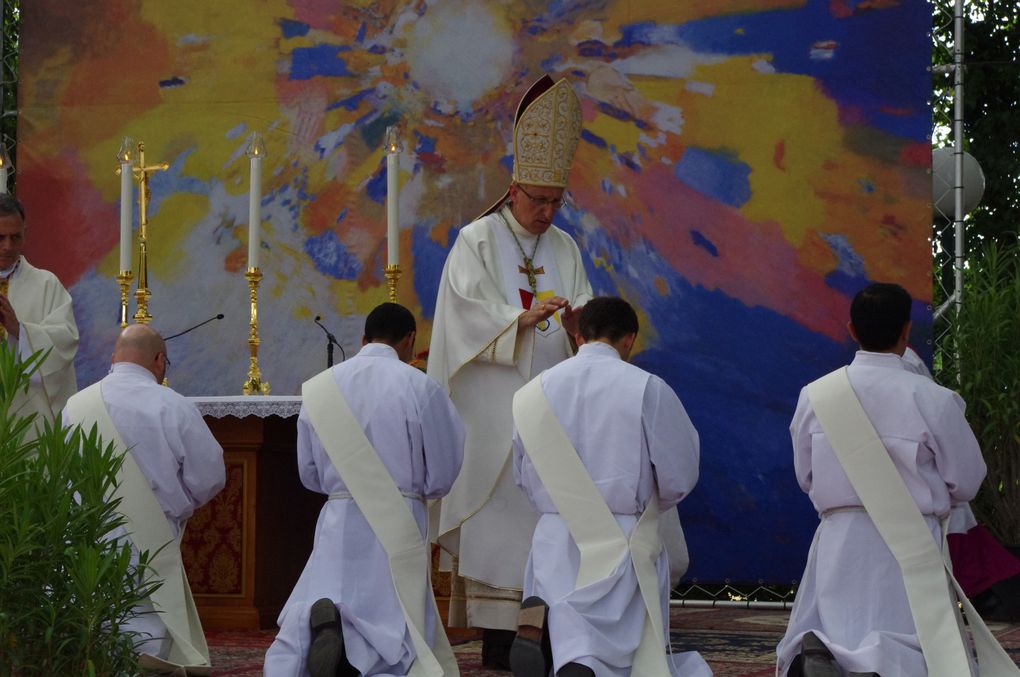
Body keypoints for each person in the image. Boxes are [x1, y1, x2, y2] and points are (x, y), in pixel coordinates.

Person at [427, 74, 593, 668]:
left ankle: (549, 642)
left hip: (555, 411)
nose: (547, 213)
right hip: (496, 412)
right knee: (502, 529)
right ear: (514, 187)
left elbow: (584, 320)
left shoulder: (566, 249)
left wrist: (577, 327)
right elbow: (463, 317)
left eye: (557, 202)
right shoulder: (476, 240)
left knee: (552, 527)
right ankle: (499, 648)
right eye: (538, 200)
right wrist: (520, 319)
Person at [776, 283, 1014, 677]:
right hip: (911, 543)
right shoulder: (933, 398)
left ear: (851, 330)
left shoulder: (815, 396)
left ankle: (829, 657)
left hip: (840, 541)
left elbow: (807, 476)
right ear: (906, 331)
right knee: (914, 641)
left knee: (840, 627)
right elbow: (967, 481)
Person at [509, 297, 711, 677]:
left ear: (579, 335)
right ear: (629, 339)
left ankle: (564, 657)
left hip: (553, 535)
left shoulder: (531, 393)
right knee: (622, 652)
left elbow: (521, 472)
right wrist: (649, 505)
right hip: (621, 535)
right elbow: (680, 472)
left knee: (562, 623)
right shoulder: (647, 388)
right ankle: (588, 665)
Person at [264, 302, 465, 677]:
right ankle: (364, 658)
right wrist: (420, 490)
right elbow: (443, 465)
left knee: (330, 585)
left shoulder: (320, 389)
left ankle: (328, 635)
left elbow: (308, 471)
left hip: (339, 512)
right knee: (394, 606)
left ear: (362, 339)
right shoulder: (421, 387)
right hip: (400, 515)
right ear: (410, 340)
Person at [62, 324, 225, 671]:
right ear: (160, 361)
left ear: (113, 359)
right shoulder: (173, 405)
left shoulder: (76, 405)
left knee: (93, 610)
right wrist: (176, 505)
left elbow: (63, 472)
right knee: (146, 617)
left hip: (87, 530)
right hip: (151, 532)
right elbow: (210, 475)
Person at [0, 194, 79, 427]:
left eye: (16, 237)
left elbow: (65, 342)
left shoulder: (46, 285)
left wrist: (20, 331)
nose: (8, 246)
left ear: (25, 232)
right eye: (0, 237)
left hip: (28, 417)